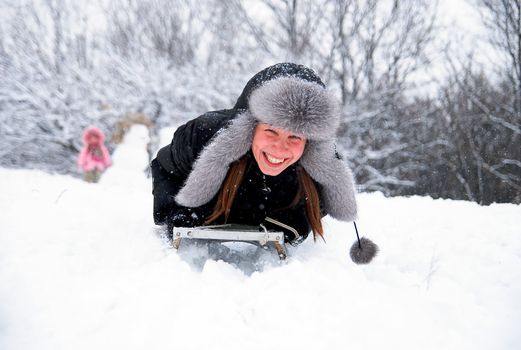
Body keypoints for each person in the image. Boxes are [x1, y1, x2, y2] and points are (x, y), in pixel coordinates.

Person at [151, 63, 377, 263]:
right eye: (271, 131)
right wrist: (177, 214)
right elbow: (164, 167)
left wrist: (284, 227)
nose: (280, 147)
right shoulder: (203, 136)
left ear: (310, 143)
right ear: (250, 127)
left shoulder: (320, 175)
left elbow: (308, 218)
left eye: (295, 137)